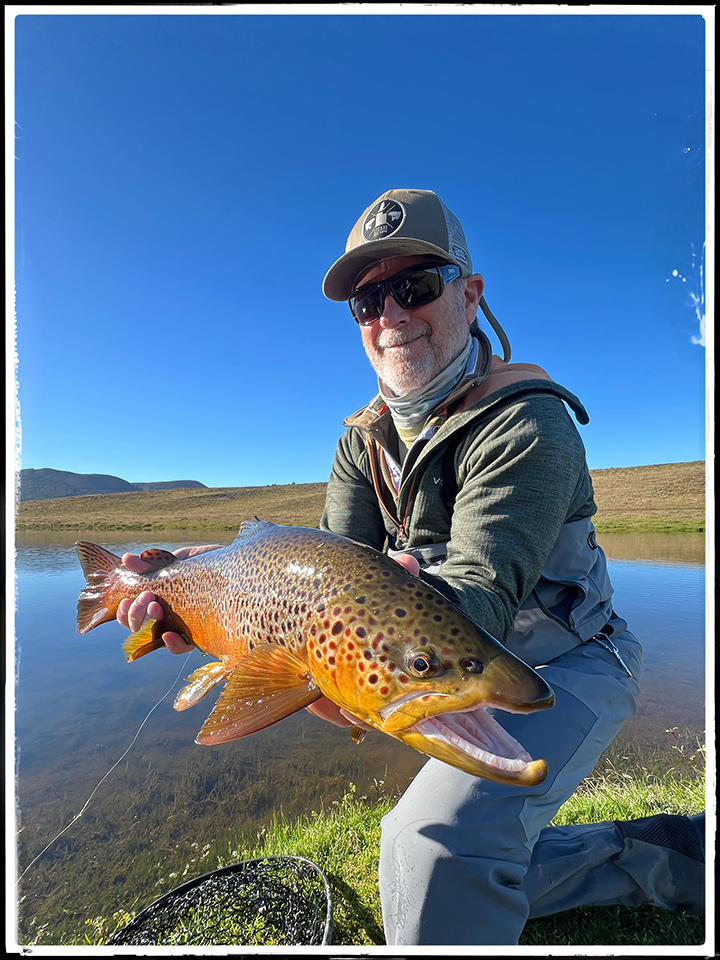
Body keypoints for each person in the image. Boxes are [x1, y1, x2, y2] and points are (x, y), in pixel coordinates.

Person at [118, 188, 706, 945]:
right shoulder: (359, 441)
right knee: (438, 857)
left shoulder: (528, 422)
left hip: (565, 663)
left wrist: (363, 633)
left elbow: (479, 595)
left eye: (416, 286)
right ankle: (671, 855)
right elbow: (321, 579)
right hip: (424, 663)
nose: (390, 314)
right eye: (368, 301)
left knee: (427, 846)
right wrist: (213, 589)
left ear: (470, 293)